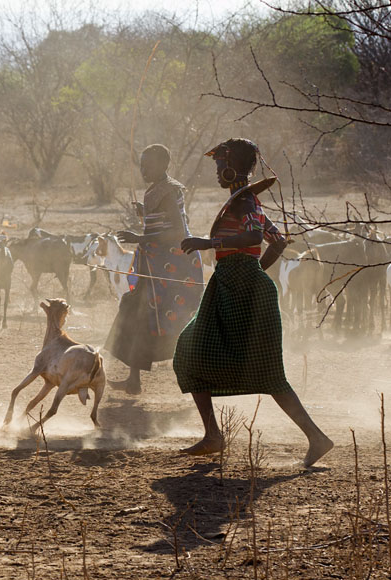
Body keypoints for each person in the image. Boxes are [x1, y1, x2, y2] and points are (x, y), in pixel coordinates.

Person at [173, 137, 333, 467]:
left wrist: (211, 243)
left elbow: (256, 238)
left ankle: (314, 438)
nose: (217, 173)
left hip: (242, 288)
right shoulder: (245, 202)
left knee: (265, 371)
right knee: (192, 349)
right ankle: (214, 435)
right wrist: (254, 269)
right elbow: (279, 241)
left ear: (232, 168)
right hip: (238, 284)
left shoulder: (244, 203)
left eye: (220, 167)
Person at [105, 144, 203, 395]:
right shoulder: (161, 190)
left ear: (163, 164)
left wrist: (139, 237)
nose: (142, 169)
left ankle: (197, 376)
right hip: (158, 263)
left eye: (147, 164)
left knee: (172, 319)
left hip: (174, 267)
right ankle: (133, 380)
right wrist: (146, 214)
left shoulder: (168, 191)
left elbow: (178, 231)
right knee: (138, 313)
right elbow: (165, 223)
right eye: (141, 164)